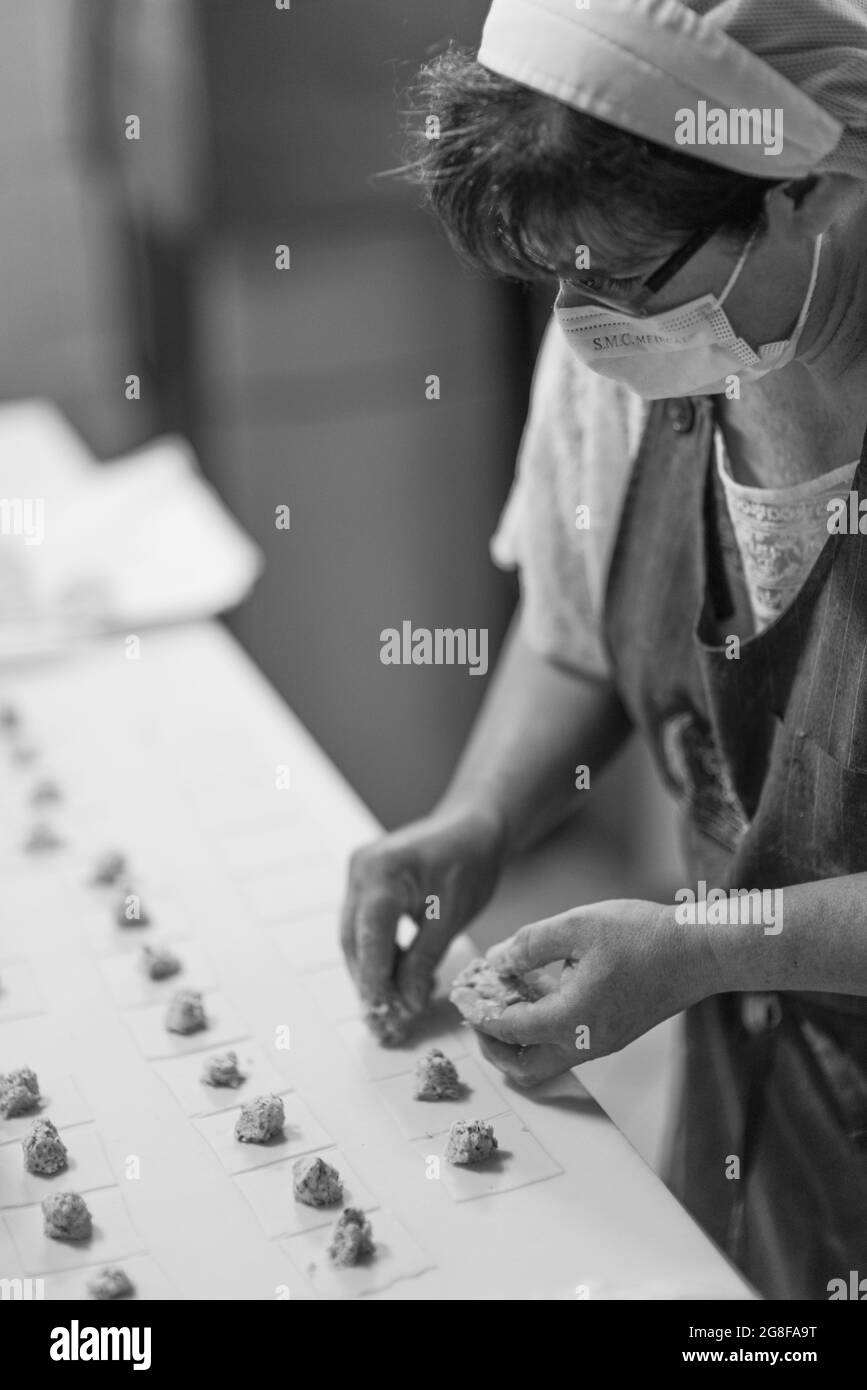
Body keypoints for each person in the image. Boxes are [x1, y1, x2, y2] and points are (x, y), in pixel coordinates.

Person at [340, 0, 867, 1300]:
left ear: (805, 190)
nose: (584, 327)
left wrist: (708, 944)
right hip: (754, 1116)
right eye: (555, 281)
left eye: (622, 280)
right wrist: (481, 815)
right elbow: (580, 634)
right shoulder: (632, 352)